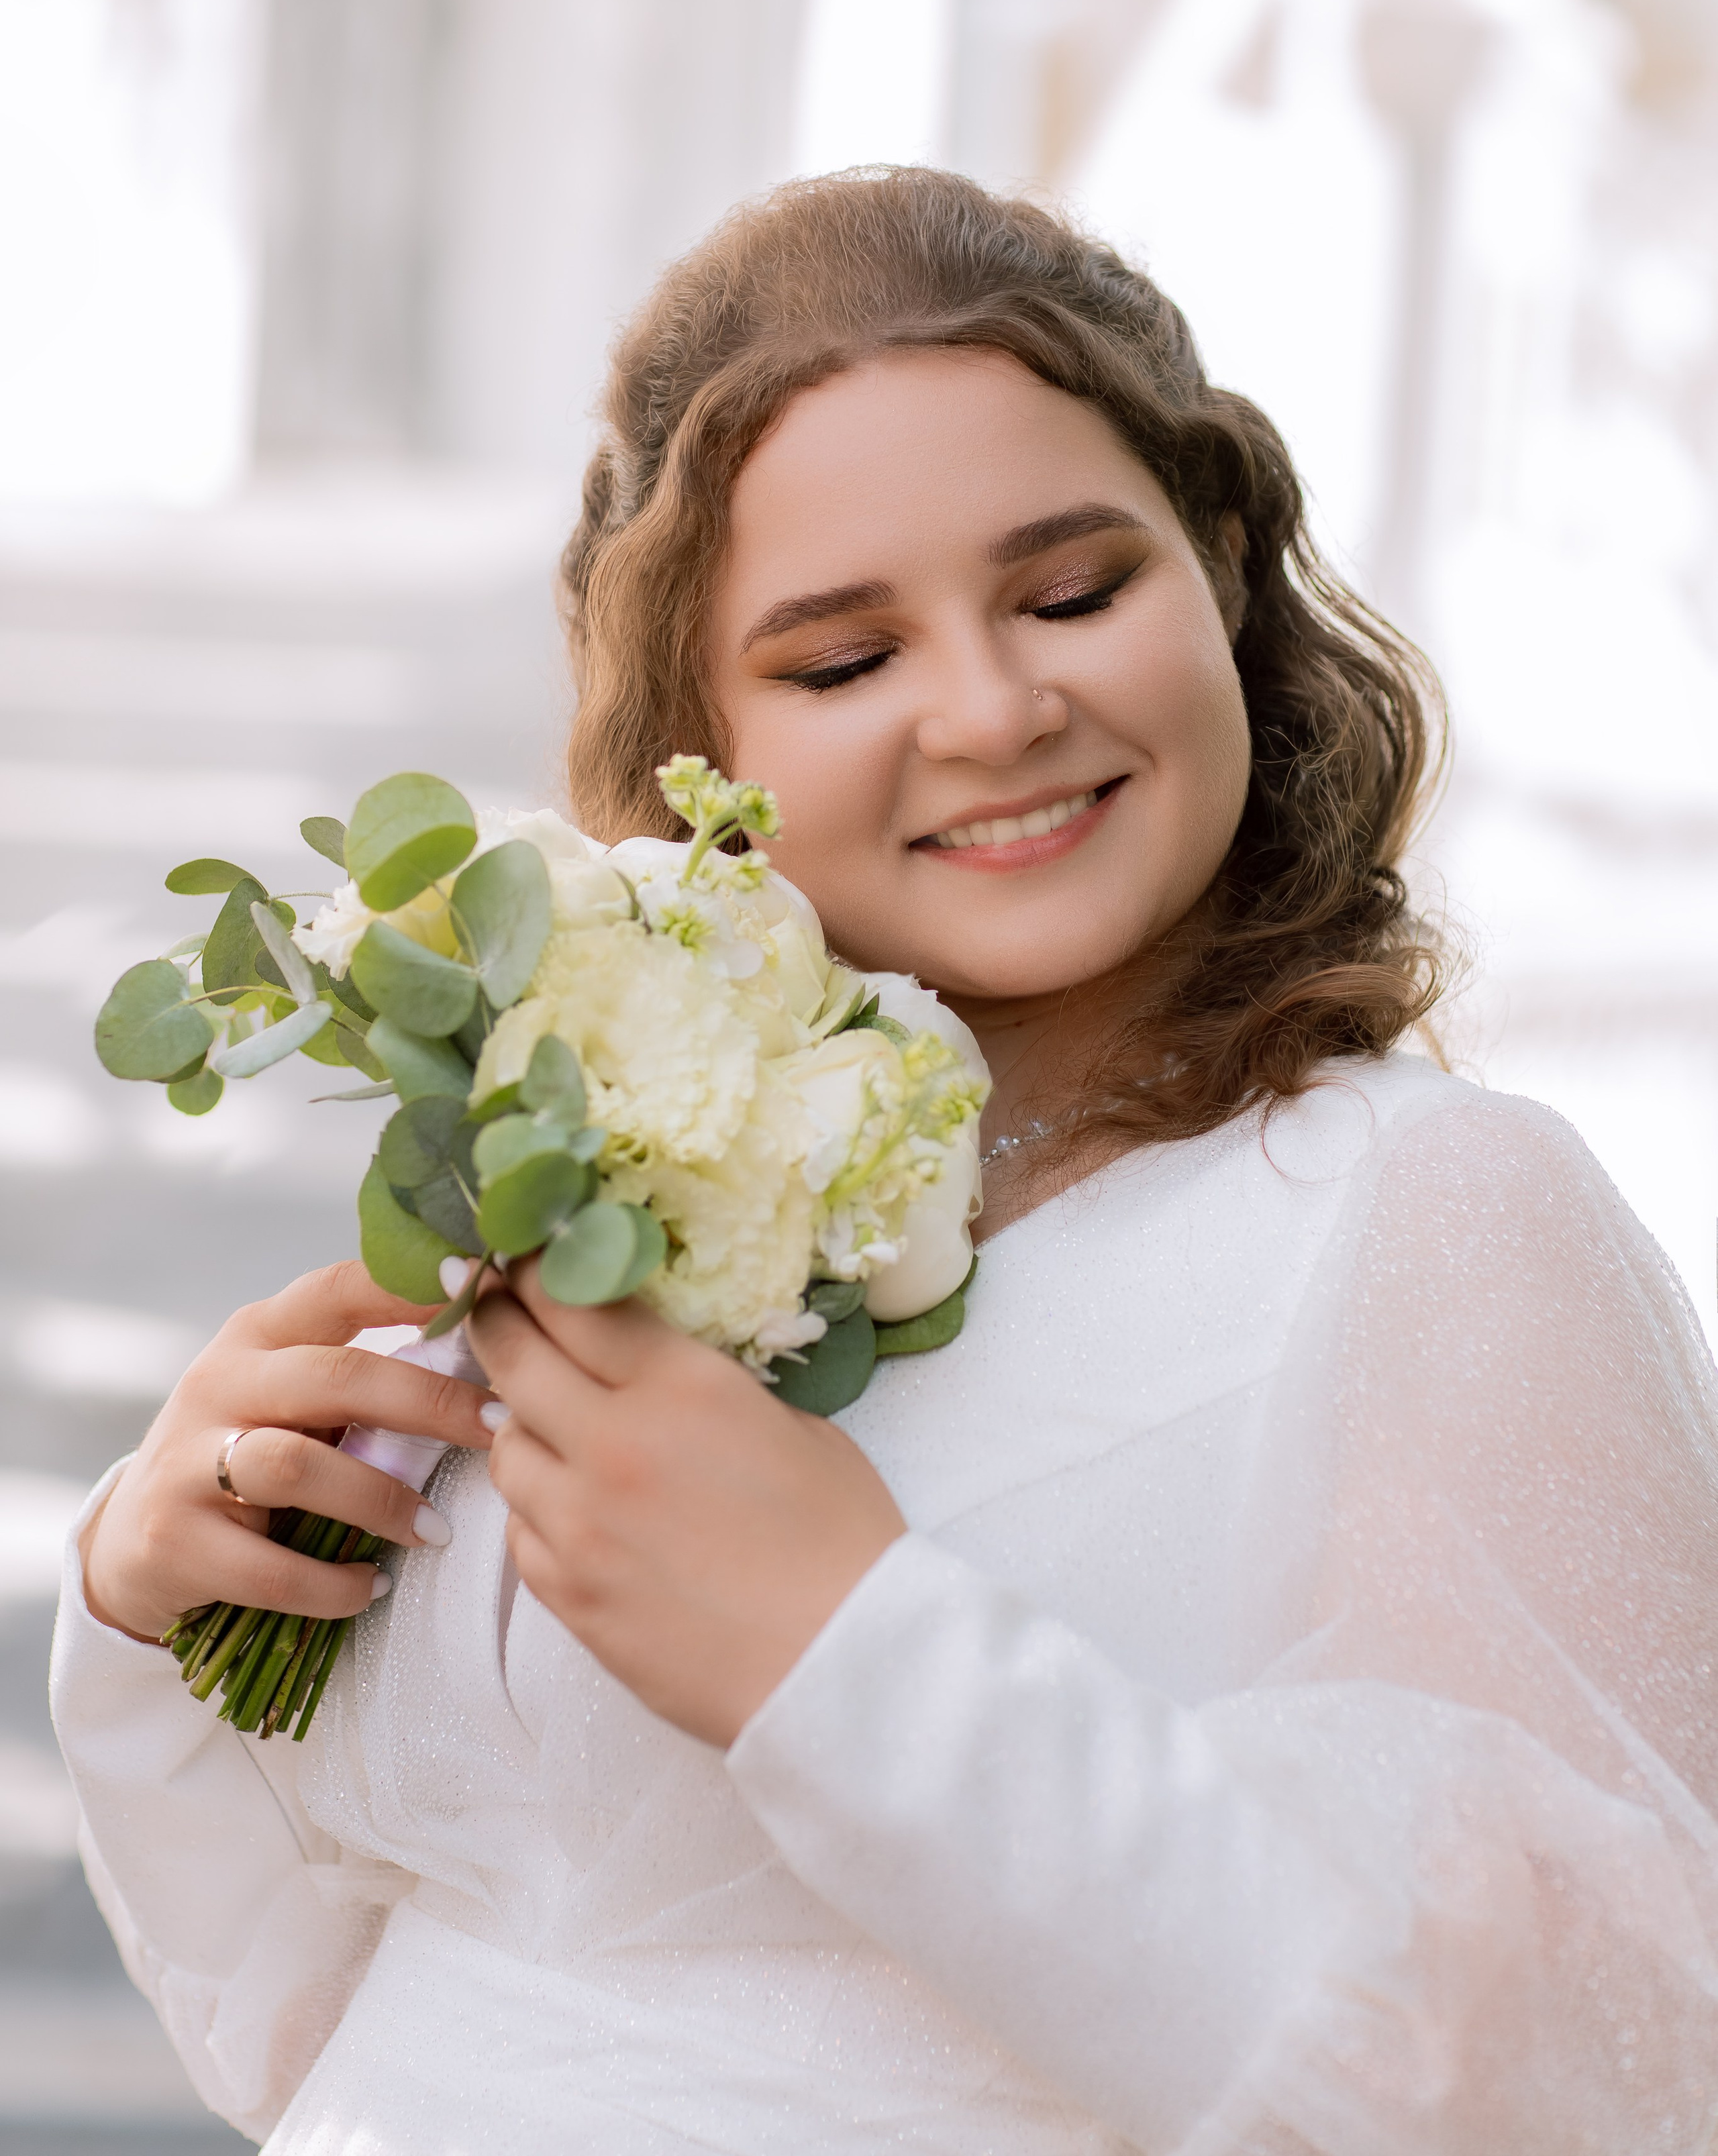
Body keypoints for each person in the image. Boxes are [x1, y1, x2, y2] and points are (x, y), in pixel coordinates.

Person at [53, 171, 1718, 2152]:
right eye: (845, 661)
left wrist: (856, 1660)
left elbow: (1588, 2063)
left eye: (1075, 590)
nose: (1000, 710)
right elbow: (352, 1985)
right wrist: (168, 1618)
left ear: (1222, 574)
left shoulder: (1430, 1212)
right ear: (697, 739)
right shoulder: (612, 1210)